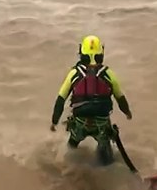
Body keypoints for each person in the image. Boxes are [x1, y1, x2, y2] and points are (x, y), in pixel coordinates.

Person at [51, 35, 133, 165]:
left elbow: (60, 100)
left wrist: (54, 122)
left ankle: (66, 167)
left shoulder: (73, 73)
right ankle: (105, 169)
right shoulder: (108, 73)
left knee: (72, 145)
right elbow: (120, 98)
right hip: (101, 122)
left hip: (80, 121)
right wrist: (127, 113)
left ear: (81, 53)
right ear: (101, 54)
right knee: (105, 151)